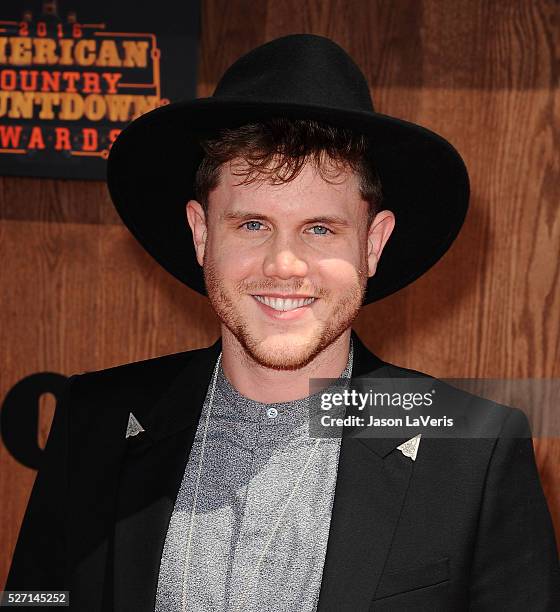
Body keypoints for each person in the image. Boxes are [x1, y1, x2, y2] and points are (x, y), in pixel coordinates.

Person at [5, 34, 560, 611]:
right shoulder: (96, 420)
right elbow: (32, 600)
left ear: (374, 244)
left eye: (320, 229)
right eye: (252, 225)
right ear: (201, 234)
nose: (284, 265)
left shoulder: (475, 446)